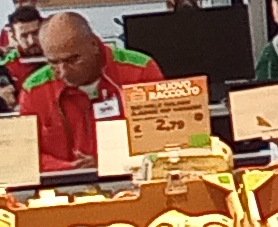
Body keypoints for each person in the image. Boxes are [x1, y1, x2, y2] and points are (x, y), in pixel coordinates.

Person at [16, 9, 168, 170]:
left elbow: (164, 139)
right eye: (53, 62)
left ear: (94, 45)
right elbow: (27, 156)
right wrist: (71, 168)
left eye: (73, 59)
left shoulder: (140, 71)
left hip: (132, 175)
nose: (63, 72)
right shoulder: (34, 89)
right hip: (65, 180)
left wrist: (112, 162)